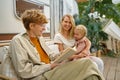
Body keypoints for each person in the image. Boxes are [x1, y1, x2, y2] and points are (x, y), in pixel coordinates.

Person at [7, 9, 104, 80]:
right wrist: (49, 66)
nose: (44, 29)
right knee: (88, 63)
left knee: (91, 76)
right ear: (31, 26)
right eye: (42, 25)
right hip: (42, 75)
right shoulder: (18, 41)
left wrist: (64, 53)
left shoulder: (39, 38)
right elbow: (24, 71)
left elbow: (51, 55)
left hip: (52, 69)